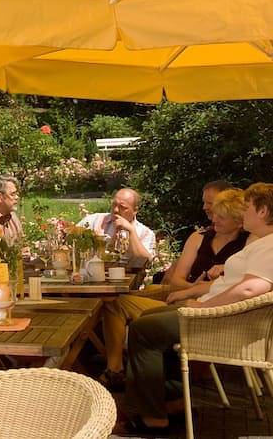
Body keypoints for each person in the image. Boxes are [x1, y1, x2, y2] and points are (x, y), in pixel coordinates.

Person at [122, 183, 273, 433]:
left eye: (247, 208)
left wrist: (203, 308)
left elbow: (250, 289)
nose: (242, 213)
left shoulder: (269, 245)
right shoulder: (262, 241)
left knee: (142, 329)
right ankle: (170, 400)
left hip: (219, 321)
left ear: (263, 211)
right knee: (149, 318)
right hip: (218, 314)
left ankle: (153, 417)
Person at [98, 189, 248, 390]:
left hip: (204, 309)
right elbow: (176, 281)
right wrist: (194, 287)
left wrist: (197, 290)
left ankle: (129, 376)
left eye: (222, 216)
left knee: (124, 311)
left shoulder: (247, 246)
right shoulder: (200, 237)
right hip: (182, 296)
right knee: (114, 301)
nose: (214, 219)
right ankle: (115, 369)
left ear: (240, 222)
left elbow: (239, 287)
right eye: (215, 214)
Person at [77, 188, 155, 267]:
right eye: (114, 204)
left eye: (122, 207)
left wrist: (131, 231)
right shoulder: (94, 220)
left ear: (135, 210)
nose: (116, 210)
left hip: (128, 276)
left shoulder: (146, 233)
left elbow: (144, 260)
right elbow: (70, 236)